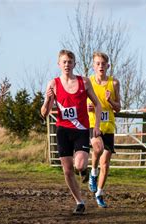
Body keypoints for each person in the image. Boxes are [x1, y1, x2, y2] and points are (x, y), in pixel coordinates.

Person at [41, 49, 102, 215]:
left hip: (81, 129)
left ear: (74, 64)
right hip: (63, 131)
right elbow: (44, 113)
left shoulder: (84, 82)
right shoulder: (53, 84)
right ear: (59, 64)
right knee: (67, 170)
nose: (67, 64)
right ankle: (79, 202)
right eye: (64, 62)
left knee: (79, 165)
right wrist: (47, 99)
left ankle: (84, 170)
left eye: (70, 61)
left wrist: (96, 126)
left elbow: (97, 104)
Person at [86, 52, 121, 208]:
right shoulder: (88, 82)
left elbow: (118, 108)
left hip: (108, 126)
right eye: (97, 63)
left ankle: (99, 193)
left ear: (108, 66)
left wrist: (110, 101)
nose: (100, 66)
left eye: (103, 64)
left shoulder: (114, 83)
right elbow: (79, 102)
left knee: (105, 164)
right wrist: (86, 107)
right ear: (93, 65)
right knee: (97, 148)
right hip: (93, 123)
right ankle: (93, 173)